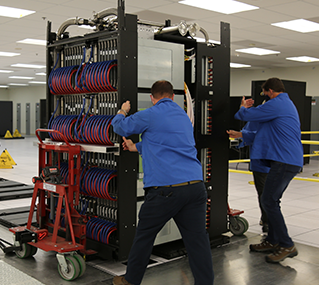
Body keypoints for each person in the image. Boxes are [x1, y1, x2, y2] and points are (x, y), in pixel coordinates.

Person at [111, 80, 214, 285]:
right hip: (195, 187)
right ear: (173, 97)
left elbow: (120, 127)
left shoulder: (150, 113)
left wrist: (122, 111)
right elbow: (168, 142)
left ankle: (130, 280)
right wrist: (137, 147)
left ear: (152, 98)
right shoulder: (183, 117)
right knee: (197, 242)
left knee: (144, 237)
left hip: (166, 191)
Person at [234, 77, 303, 263]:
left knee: (268, 200)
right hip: (285, 159)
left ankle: (287, 245)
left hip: (284, 160)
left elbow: (247, 116)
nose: (264, 96)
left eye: (265, 92)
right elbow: (264, 131)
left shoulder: (277, 104)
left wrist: (243, 107)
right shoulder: (284, 104)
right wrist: (243, 134)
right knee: (272, 200)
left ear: (270, 91)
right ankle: (272, 240)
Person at [227, 109, 270, 233]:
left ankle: (268, 221)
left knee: (265, 194)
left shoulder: (260, 119)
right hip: (269, 162)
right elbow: (245, 134)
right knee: (268, 194)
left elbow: (248, 135)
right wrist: (237, 141)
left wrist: (239, 137)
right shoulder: (273, 118)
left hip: (264, 162)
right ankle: (267, 219)